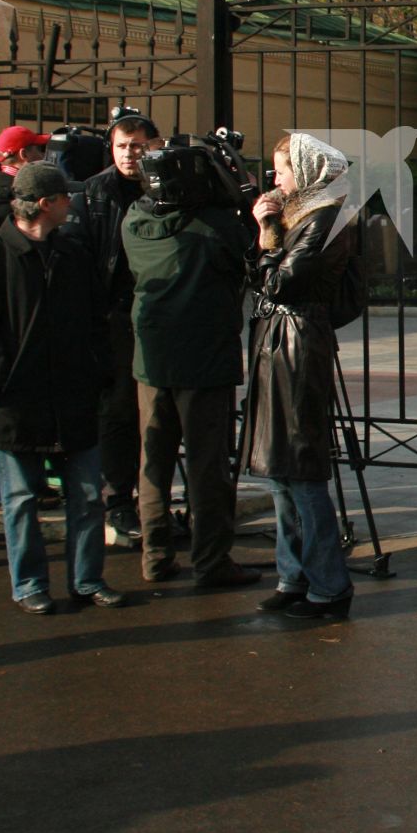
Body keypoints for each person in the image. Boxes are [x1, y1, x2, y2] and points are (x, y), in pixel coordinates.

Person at [0, 163, 122, 614]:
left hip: (73, 396)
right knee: (21, 500)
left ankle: (87, 580)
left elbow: (95, 321)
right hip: (17, 403)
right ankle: (29, 585)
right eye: (65, 197)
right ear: (46, 204)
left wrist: (98, 372)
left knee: (87, 496)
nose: (72, 203)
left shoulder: (72, 255)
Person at [120, 141, 257, 588]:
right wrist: (239, 193)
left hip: (152, 360)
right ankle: (211, 561)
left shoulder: (135, 220)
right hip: (204, 363)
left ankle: (155, 557)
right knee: (207, 466)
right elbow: (253, 255)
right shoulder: (214, 227)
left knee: (152, 464)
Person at [243, 134, 359, 620]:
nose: (276, 180)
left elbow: (278, 281)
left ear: (308, 170)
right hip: (277, 341)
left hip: (297, 345)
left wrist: (267, 226)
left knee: (301, 468)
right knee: (278, 471)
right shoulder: (302, 214)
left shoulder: (326, 217)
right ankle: (294, 576)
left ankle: (329, 585)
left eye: (283, 170)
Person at [80, 110, 161, 544]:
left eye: (137, 145)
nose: (130, 154)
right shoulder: (95, 192)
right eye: (122, 146)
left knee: (154, 411)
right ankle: (119, 501)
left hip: (155, 313)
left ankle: (153, 497)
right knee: (116, 413)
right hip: (112, 316)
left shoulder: (165, 186)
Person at [0, 125, 50, 239]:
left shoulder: (7, 193)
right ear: (24, 154)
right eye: (39, 149)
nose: (43, 156)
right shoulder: (4, 204)